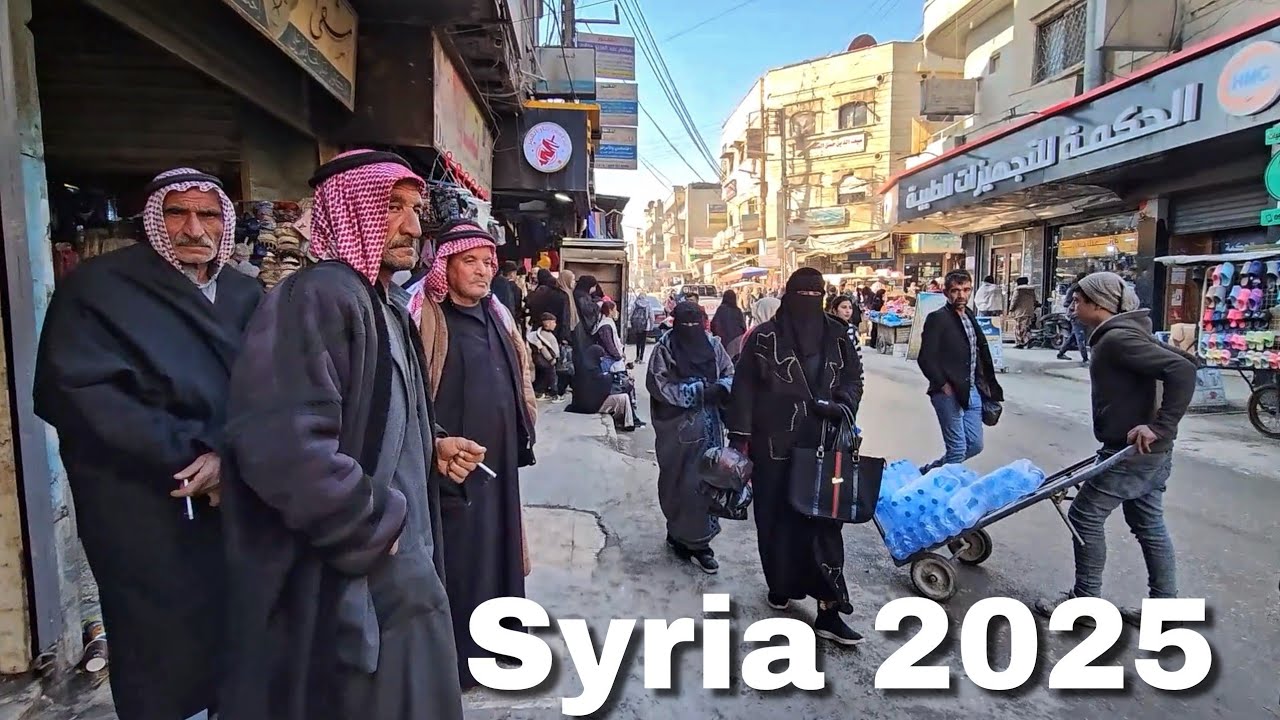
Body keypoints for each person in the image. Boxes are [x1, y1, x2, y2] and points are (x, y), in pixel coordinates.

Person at [219, 150, 480, 720]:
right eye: (392, 207)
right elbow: (282, 444)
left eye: (415, 209)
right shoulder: (317, 297)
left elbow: (381, 413)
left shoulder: (382, 303)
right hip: (362, 562)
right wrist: (372, 524)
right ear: (349, 210)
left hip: (398, 553)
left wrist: (432, 445)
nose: (412, 226)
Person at [33, 168, 263, 720]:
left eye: (207, 214)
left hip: (235, 490)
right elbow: (76, 393)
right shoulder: (100, 289)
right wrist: (186, 455)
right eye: (177, 213)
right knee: (160, 642)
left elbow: (271, 385)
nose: (194, 229)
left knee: (243, 632)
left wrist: (232, 458)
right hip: (143, 500)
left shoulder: (245, 294)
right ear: (153, 220)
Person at [415, 220, 538, 691]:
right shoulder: (425, 315)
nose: (483, 271)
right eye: (471, 261)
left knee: (501, 547)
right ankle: (462, 661)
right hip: (452, 465)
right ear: (445, 265)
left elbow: (520, 374)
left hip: (500, 463)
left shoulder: (498, 314)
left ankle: (503, 641)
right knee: (461, 558)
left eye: (488, 262)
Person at [1035, 272, 1196, 623]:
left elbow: (1183, 370)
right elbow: (1181, 361)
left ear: (1099, 304)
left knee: (1084, 516)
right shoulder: (1127, 333)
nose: (1072, 308)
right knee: (1148, 523)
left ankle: (1085, 603)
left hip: (1133, 452)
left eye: (1078, 301)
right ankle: (1166, 609)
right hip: (1145, 451)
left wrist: (1160, 426)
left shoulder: (1117, 339)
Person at [726, 268, 866, 646]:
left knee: (824, 527)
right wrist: (740, 441)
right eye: (802, 294)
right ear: (788, 296)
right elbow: (743, 390)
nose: (808, 301)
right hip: (774, 449)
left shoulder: (839, 335)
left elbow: (854, 379)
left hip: (825, 447)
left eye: (815, 294)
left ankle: (829, 611)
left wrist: (842, 404)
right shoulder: (764, 338)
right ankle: (780, 585)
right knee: (775, 522)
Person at [648, 302, 735, 573]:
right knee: (677, 482)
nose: (690, 328)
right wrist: (695, 392)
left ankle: (700, 544)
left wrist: (721, 389)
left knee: (705, 484)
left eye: (695, 322)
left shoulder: (713, 344)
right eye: (685, 323)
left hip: (710, 430)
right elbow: (658, 384)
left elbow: (730, 372)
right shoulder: (664, 348)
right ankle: (677, 532)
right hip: (677, 431)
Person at [917, 270, 1005, 473]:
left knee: (974, 445)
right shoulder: (937, 318)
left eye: (966, 290)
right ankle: (937, 485)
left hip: (972, 390)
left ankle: (929, 472)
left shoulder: (969, 315)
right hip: (948, 392)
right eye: (956, 290)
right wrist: (943, 384)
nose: (961, 295)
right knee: (957, 450)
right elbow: (925, 358)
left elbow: (978, 351)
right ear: (946, 293)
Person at [525, 268, 572, 343]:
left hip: (539, 328)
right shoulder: (561, 294)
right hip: (556, 329)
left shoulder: (539, 292)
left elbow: (530, 306)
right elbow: (565, 317)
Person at [529, 312, 567, 401]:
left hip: (542, 361)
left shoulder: (541, 334)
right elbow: (543, 348)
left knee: (544, 377)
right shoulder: (545, 335)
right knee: (552, 378)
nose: (555, 324)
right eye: (553, 322)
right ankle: (554, 395)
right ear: (547, 323)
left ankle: (540, 392)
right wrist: (551, 359)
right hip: (547, 361)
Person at [1057, 272, 1090, 364]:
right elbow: (1066, 303)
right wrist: (1074, 305)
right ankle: (1085, 358)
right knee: (1080, 336)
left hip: (1079, 313)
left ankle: (1061, 353)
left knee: (1074, 336)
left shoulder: (1081, 288)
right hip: (1075, 315)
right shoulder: (1075, 289)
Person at [710, 289, 748, 358]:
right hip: (736, 341)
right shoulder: (738, 310)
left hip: (724, 341)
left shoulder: (721, 310)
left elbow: (714, 325)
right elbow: (743, 327)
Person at [490, 260, 525, 334]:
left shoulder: (494, 282)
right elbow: (516, 307)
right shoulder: (515, 289)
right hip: (509, 321)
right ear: (512, 273)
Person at [593, 299, 626, 366]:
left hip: (609, 358)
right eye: (615, 310)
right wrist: (618, 356)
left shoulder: (608, 322)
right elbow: (609, 344)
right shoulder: (605, 325)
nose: (616, 312)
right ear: (610, 311)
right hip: (608, 359)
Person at [1009, 276, 1039, 348]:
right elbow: (1034, 300)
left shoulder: (1018, 290)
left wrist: (1011, 308)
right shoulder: (1031, 290)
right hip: (1029, 310)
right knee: (1026, 326)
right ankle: (1027, 339)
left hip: (1020, 311)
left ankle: (1022, 342)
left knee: (1018, 327)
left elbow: (1014, 300)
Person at [628, 292, 654, 362]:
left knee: (638, 341)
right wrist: (651, 326)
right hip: (645, 326)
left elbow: (631, 314)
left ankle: (637, 357)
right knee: (643, 342)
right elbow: (651, 316)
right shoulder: (648, 304)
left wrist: (631, 324)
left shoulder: (635, 303)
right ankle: (641, 358)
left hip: (637, 325)